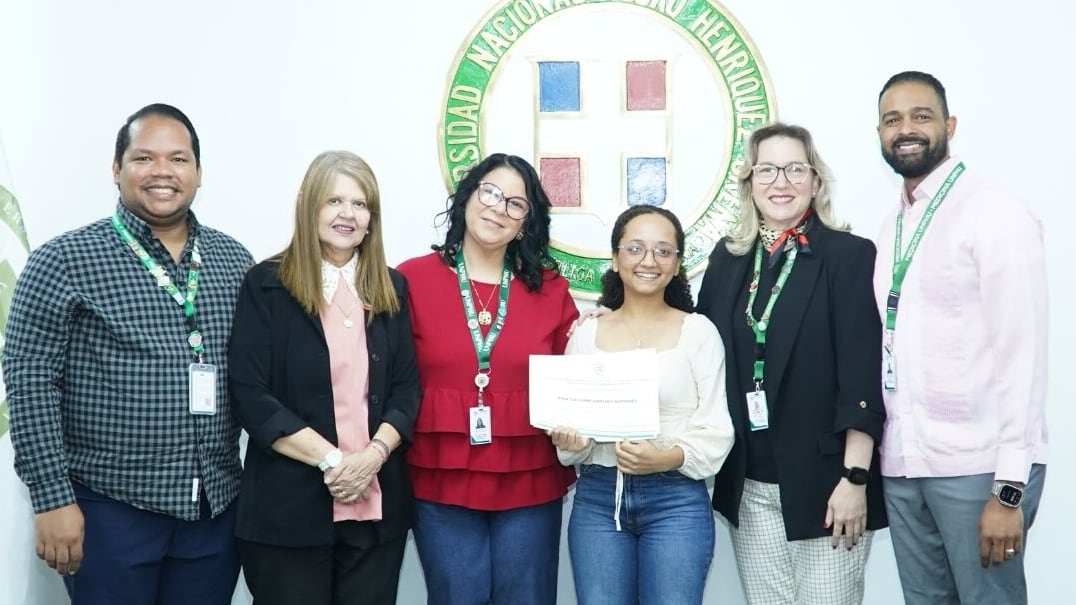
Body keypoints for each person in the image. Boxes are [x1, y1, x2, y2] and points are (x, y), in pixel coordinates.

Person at [2, 104, 252, 604]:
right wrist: (53, 500)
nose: (162, 172)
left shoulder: (234, 260)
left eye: (178, 159)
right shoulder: (64, 260)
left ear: (198, 173)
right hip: (109, 509)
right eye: (144, 158)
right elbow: (29, 380)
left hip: (213, 510)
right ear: (116, 170)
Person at [873, 71, 1048, 605]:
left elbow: (1024, 352)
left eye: (921, 116)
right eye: (892, 119)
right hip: (905, 464)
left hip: (979, 468)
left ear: (949, 125)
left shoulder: (994, 211)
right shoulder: (893, 223)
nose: (906, 129)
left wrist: (1008, 488)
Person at [698, 123, 887, 605]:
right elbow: (692, 342)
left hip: (829, 487)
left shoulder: (848, 256)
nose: (780, 181)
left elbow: (861, 374)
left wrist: (855, 479)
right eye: (767, 169)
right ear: (749, 182)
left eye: (794, 168)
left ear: (815, 181)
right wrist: (609, 314)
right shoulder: (727, 260)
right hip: (750, 485)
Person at [227, 151, 418, 604]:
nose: (347, 214)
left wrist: (372, 456)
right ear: (308, 205)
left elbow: (406, 388)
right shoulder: (265, 284)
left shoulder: (392, 288)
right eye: (334, 201)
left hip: (376, 514)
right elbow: (252, 395)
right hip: (287, 513)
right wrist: (334, 463)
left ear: (372, 218)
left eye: (359, 203)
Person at [397, 153, 579, 605]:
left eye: (516, 204)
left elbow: (572, 374)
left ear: (527, 222)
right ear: (466, 197)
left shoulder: (552, 288)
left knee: (528, 598)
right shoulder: (409, 279)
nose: (499, 209)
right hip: (439, 473)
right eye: (491, 193)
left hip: (530, 474)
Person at [550, 205, 735, 605]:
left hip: (677, 502)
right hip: (599, 499)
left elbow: (717, 428)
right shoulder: (586, 333)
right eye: (635, 248)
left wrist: (664, 458)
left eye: (663, 251)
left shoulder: (699, 332)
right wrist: (569, 438)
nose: (648, 260)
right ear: (615, 259)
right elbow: (570, 437)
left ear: (677, 264)